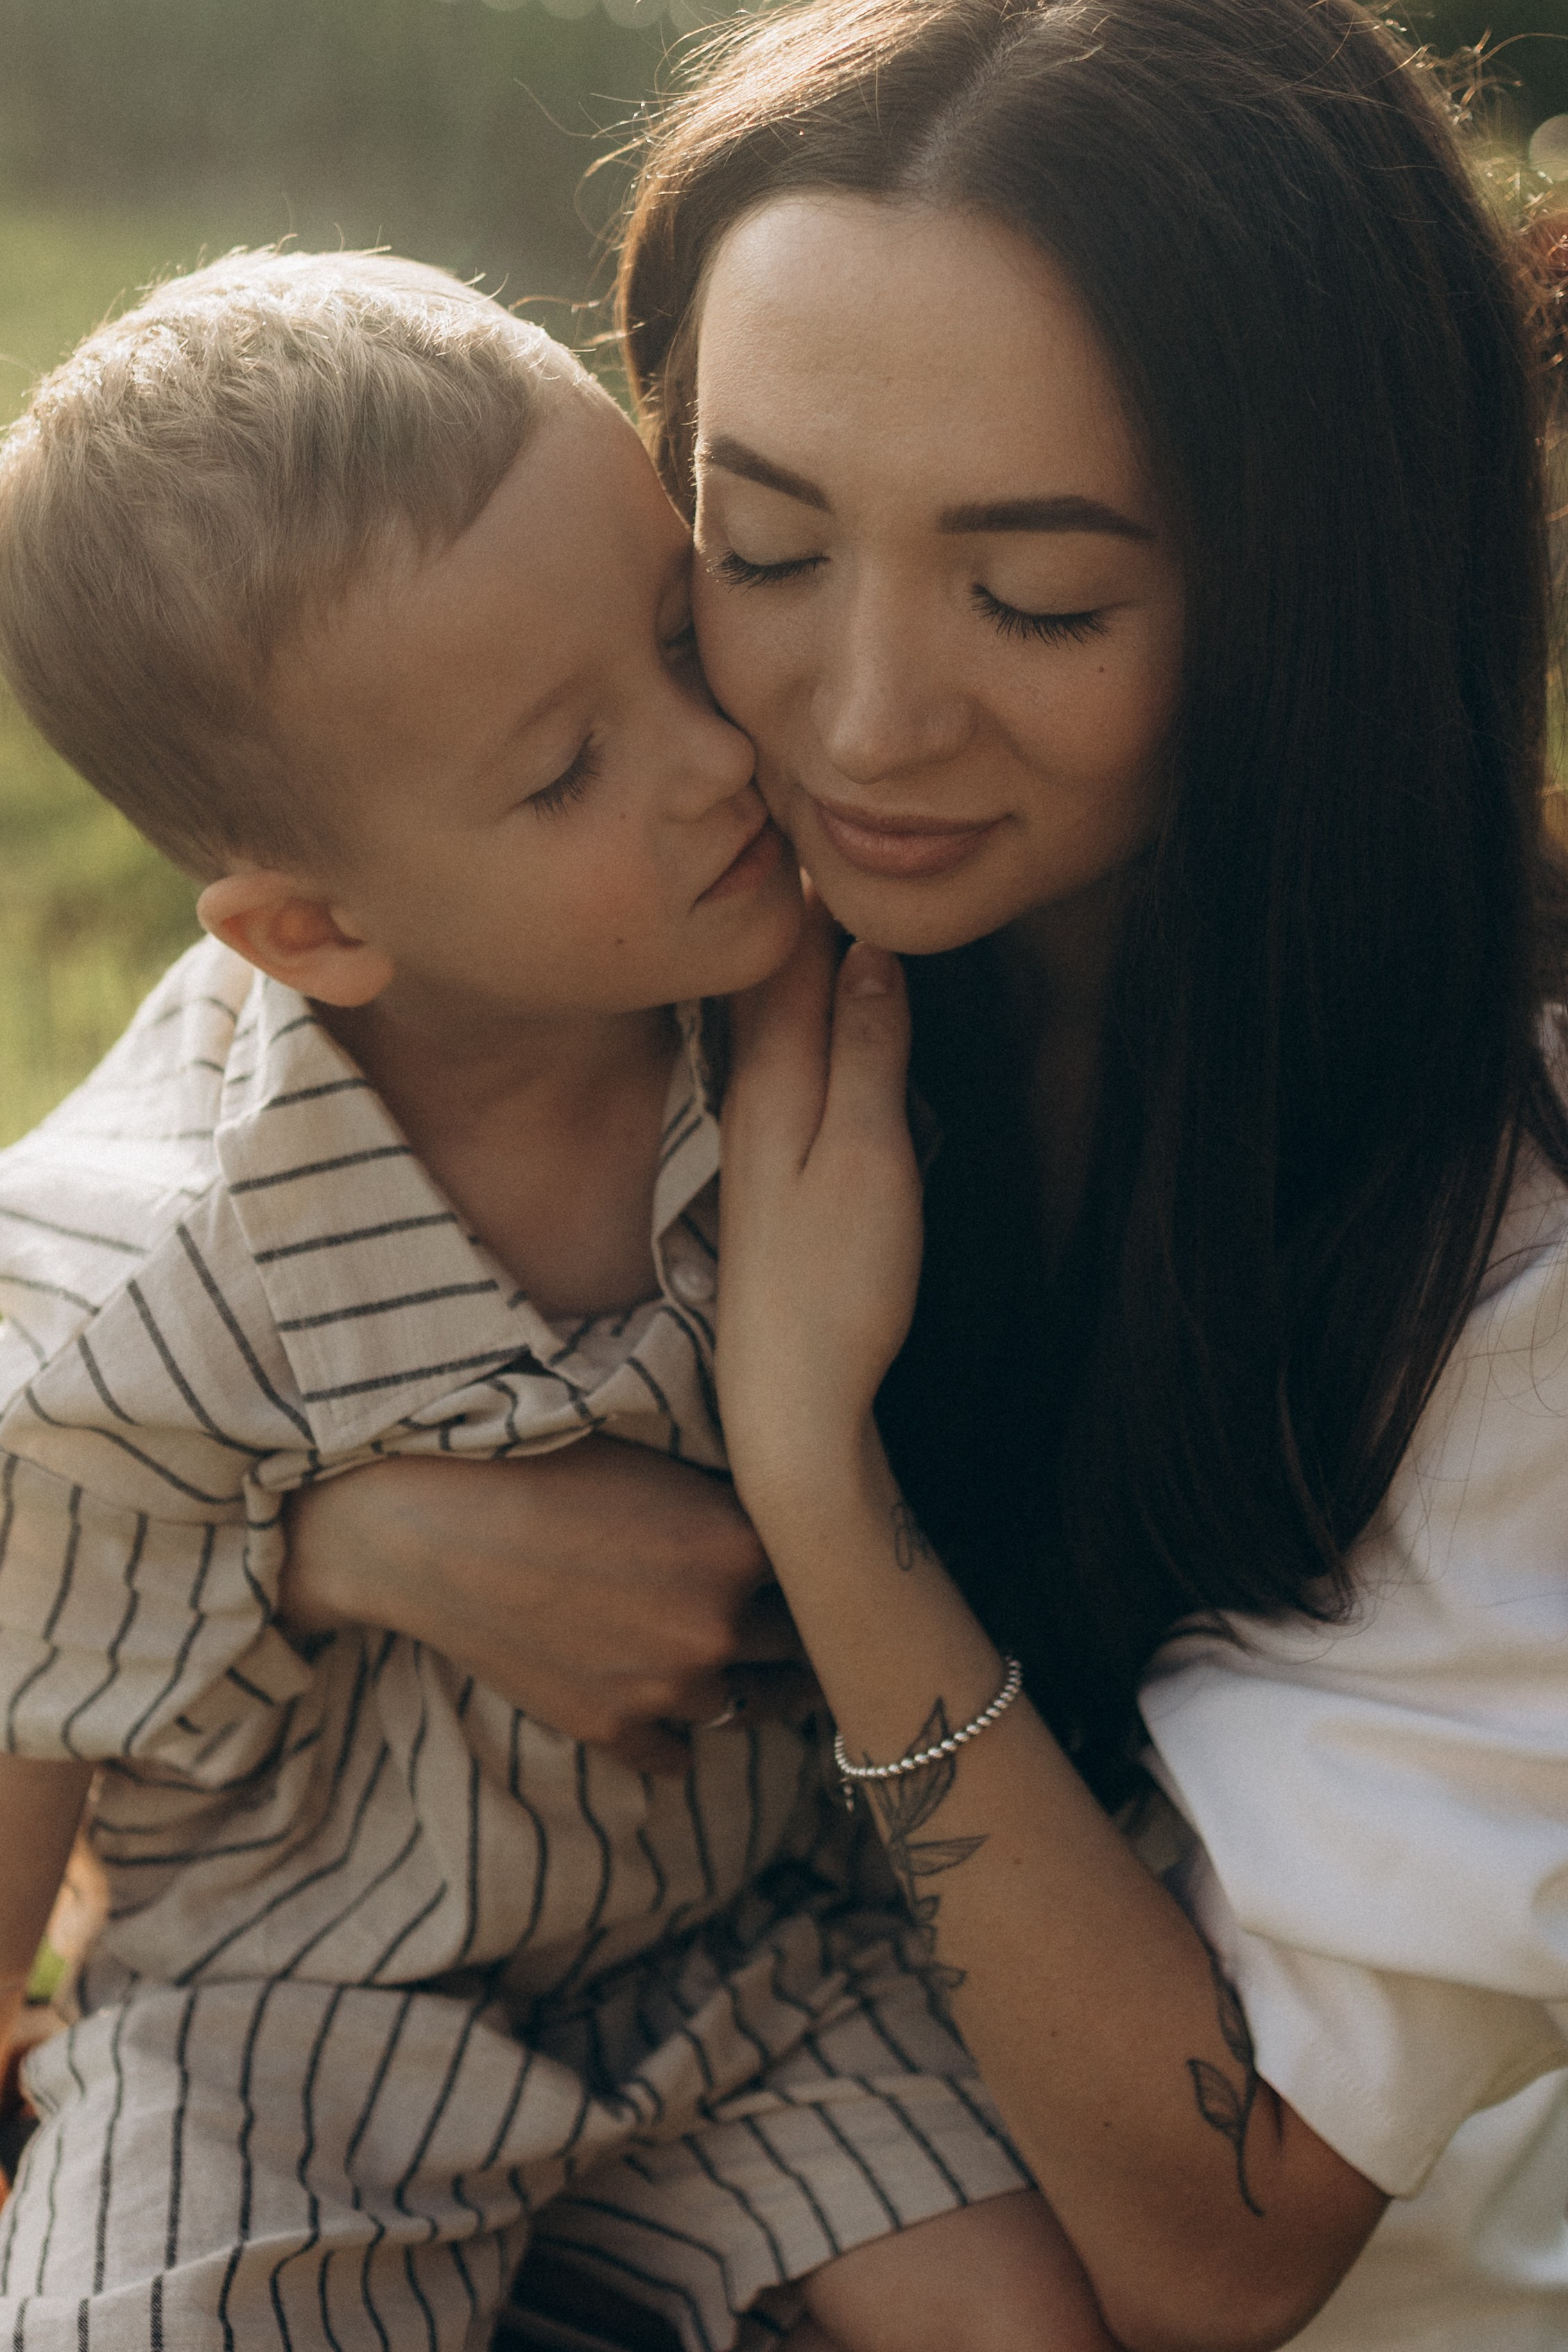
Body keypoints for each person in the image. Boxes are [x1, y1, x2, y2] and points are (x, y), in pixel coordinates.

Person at [281, 1, 1568, 2347]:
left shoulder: (1504, 1244)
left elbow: (1224, 2239)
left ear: (1326, 587)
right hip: (568, 2193)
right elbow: (69, 1313)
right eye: (763, 547)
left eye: (1040, 600)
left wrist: (813, 1476)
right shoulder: (633, 829)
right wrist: (334, 1527)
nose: (859, 726)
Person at [0, 248, 1105, 2352]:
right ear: (313, 930)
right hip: (289, 2030)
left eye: (684, 638)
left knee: (1033, 2321)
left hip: (760, 1960)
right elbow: (27, 1715)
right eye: (563, 773)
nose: (710, 761)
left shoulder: (799, 1022)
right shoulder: (149, 1280)